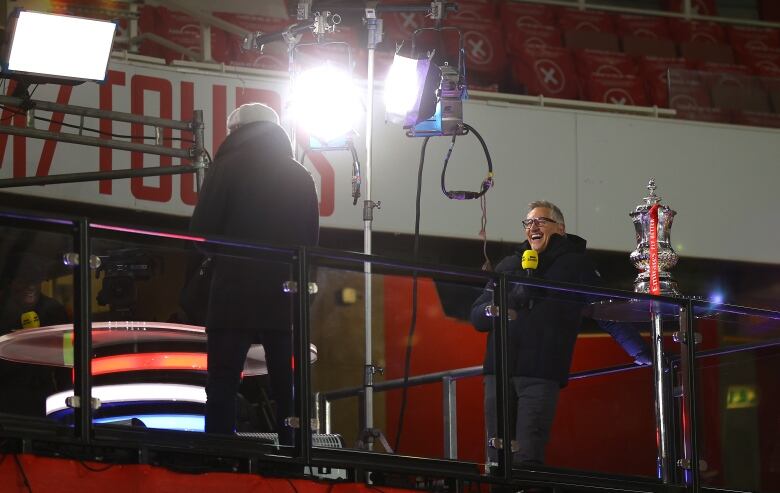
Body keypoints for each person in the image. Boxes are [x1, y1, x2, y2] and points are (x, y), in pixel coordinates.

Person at [470, 200, 651, 466]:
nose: (533, 226)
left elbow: (606, 312)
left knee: (526, 460)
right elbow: (477, 317)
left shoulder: (576, 266)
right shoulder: (508, 266)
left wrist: (643, 352)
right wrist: (506, 302)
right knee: (496, 462)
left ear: (561, 229)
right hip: (497, 375)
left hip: (540, 376)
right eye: (528, 222)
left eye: (541, 221)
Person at [189, 103, 319, 440]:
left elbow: (201, 232)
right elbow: (310, 245)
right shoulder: (300, 175)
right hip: (284, 294)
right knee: (285, 387)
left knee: (223, 379)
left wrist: (223, 255)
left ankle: (221, 453)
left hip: (234, 291)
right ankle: (292, 456)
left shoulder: (226, 168)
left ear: (238, 130)